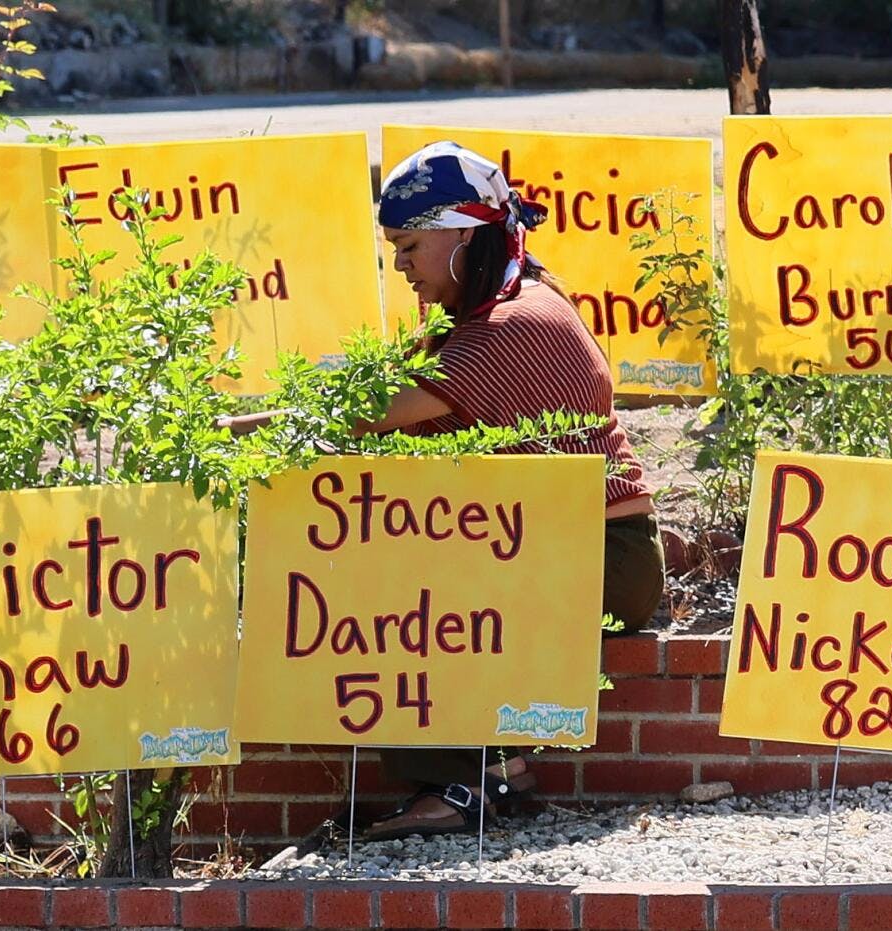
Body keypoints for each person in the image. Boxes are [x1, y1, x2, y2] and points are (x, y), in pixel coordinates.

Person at [223, 141, 665, 841]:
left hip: (606, 558)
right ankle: (501, 767)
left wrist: (224, 430)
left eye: (408, 246)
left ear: (462, 237)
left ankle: (460, 785)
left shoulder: (511, 326)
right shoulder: (506, 303)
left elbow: (362, 413)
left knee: (398, 578)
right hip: (588, 551)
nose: (398, 267)